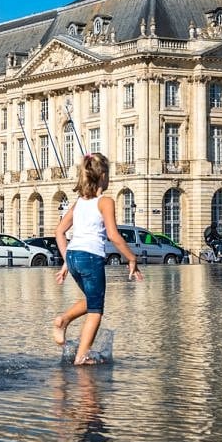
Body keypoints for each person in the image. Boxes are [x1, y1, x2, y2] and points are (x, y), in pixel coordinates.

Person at [51, 153, 140, 363]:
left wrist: (66, 262)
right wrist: (131, 258)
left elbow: (59, 232)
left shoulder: (79, 203)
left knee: (92, 300)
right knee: (96, 310)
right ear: (102, 177)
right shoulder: (105, 202)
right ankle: (81, 355)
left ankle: (64, 320)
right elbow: (113, 235)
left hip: (73, 256)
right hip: (91, 257)